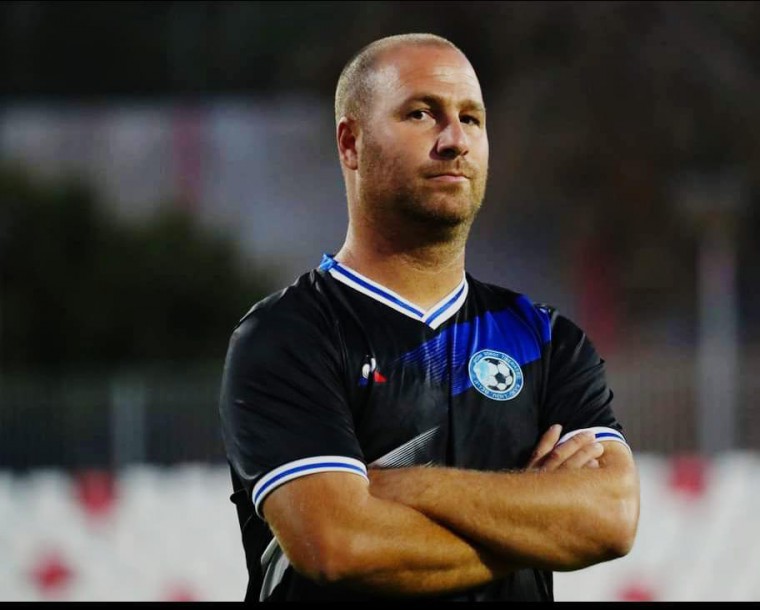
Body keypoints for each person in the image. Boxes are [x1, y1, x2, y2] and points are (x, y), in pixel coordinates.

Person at [218, 32, 640, 602]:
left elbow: (612, 517)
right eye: (421, 114)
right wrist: (535, 520)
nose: (455, 140)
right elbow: (338, 546)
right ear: (351, 143)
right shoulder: (287, 337)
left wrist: (401, 486)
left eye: (471, 118)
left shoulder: (547, 341)